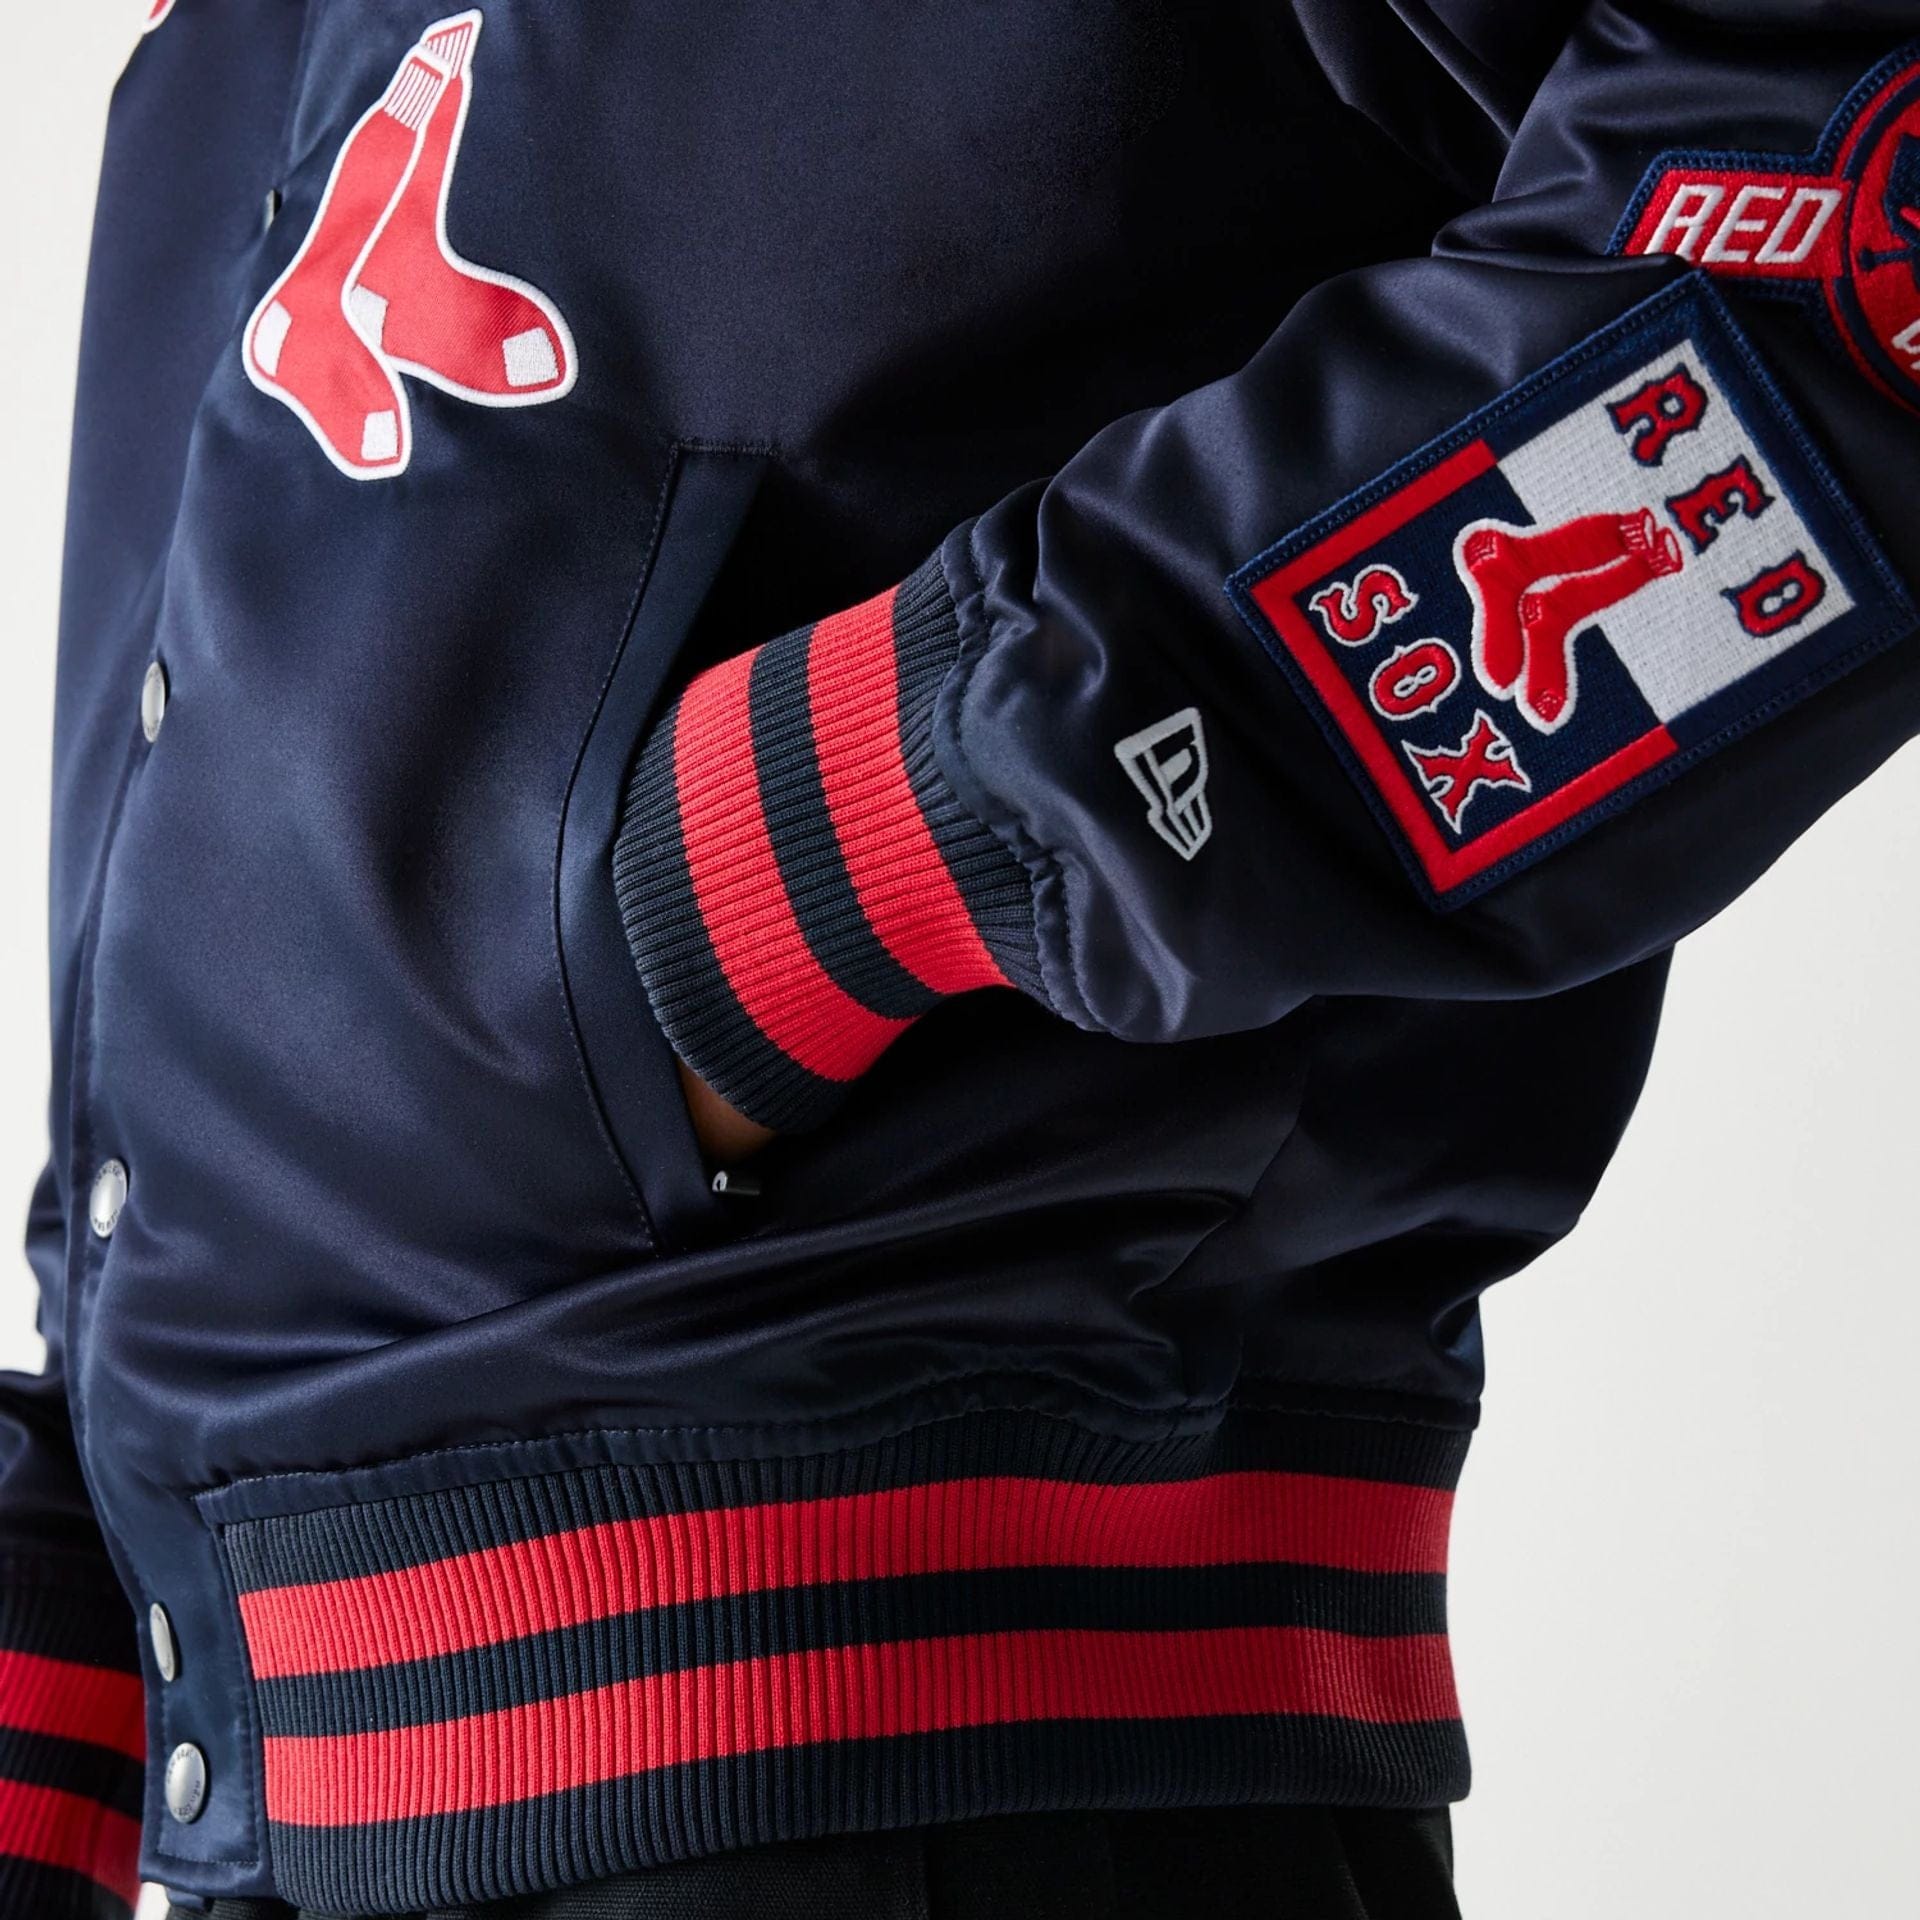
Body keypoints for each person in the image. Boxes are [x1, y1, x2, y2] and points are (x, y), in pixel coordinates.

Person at [3, 2, 1917, 1916]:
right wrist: (66, 1605)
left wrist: (856, 851)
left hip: (899, 1749)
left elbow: (1857, 227)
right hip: (289, 1787)